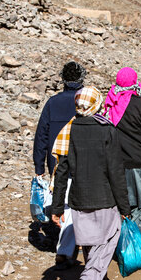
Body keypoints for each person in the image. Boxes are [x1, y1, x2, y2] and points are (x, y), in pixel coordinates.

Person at [51, 86, 130, 280]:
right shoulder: (107, 130)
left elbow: (61, 172)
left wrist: (57, 208)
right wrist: (125, 207)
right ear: (97, 103)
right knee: (106, 243)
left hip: (78, 200)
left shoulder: (68, 130)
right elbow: (115, 172)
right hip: (105, 199)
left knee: (89, 247)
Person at [33, 61, 85, 269]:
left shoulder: (52, 103)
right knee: (77, 204)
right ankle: (67, 248)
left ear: (62, 79)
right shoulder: (85, 103)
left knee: (62, 201)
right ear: (82, 79)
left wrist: (39, 166)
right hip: (81, 160)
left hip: (55, 161)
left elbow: (41, 137)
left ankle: (66, 245)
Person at [104, 67, 141, 232]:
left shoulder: (111, 102)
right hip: (137, 162)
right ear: (135, 81)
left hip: (114, 163)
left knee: (119, 203)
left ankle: (116, 238)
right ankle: (131, 243)